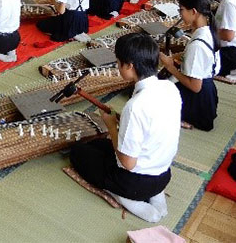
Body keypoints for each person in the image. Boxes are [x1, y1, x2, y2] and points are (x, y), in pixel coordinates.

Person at [70, 32, 181, 223]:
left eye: (118, 63)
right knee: (97, 145)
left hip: (134, 182)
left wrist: (112, 126)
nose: (117, 67)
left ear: (130, 65)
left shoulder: (136, 106)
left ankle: (129, 199)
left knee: (78, 152)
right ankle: (156, 194)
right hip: (163, 173)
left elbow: (128, 164)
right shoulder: (170, 88)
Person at [159, 0, 220, 131]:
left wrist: (170, 66)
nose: (180, 15)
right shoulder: (208, 30)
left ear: (193, 11)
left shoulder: (197, 45)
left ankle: (178, 119)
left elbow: (195, 87)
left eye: (181, 10)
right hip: (208, 94)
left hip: (198, 100)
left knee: (154, 96)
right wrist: (179, 57)